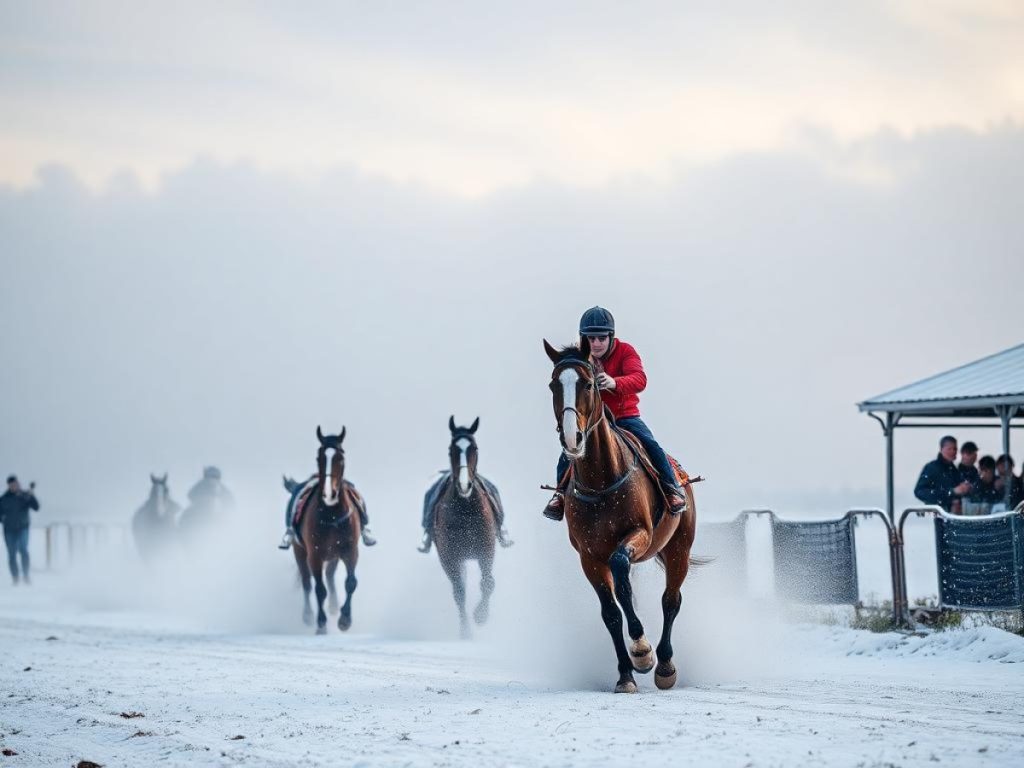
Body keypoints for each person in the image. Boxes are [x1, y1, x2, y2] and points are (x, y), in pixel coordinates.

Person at [543, 306, 687, 520]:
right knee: (568, 451)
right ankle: (560, 495)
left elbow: (640, 379)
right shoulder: (580, 359)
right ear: (583, 339)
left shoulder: (626, 352)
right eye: (590, 339)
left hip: (625, 418)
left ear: (611, 337)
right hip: (593, 423)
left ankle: (671, 489)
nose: (596, 343)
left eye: (602, 337)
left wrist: (614, 382)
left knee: (650, 444)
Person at [913, 436, 972, 513]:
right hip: (939, 516)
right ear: (941, 449)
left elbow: (958, 491)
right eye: (949, 449)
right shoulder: (931, 468)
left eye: (955, 449)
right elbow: (919, 492)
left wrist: (965, 488)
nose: (953, 452)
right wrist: (951, 492)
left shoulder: (954, 470)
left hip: (955, 516)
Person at [0, 475, 40, 585]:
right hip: (9, 531)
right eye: (12, 485)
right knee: (12, 554)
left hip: (23, 528)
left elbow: (36, 507)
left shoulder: (25, 496)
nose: (15, 486)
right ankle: (15, 577)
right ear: (9, 486)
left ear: (18, 483)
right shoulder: (3, 499)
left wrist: (32, 496)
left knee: (23, 550)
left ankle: (26, 575)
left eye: (16, 484)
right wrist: (3, 519)